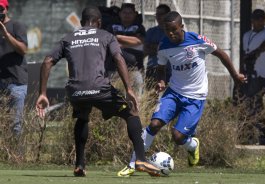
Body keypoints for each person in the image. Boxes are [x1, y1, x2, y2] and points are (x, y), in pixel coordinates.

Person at [117, 11, 246, 177]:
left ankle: (192, 145)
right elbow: (161, 68)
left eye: (174, 30)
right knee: (154, 124)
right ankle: (134, 163)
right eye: (167, 30)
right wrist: (161, 81)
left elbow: (220, 53)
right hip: (174, 92)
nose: (171, 34)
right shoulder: (164, 45)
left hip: (196, 97)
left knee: (178, 137)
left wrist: (235, 75)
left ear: (181, 27)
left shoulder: (197, 40)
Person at [35, 7, 160, 177]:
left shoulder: (68, 38)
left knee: (82, 116)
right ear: (99, 22)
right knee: (131, 112)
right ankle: (140, 159)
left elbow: (48, 61)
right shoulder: (106, 35)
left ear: (81, 22)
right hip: (100, 88)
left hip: (76, 91)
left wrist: (42, 93)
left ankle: (79, 164)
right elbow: (118, 58)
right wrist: (129, 89)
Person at [235, 9, 265, 145]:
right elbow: (245, 54)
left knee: (255, 101)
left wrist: (255, 53)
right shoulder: (247, 35)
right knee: (249, 103)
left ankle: (262, 135)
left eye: (261, 19)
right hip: (248, 73)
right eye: (256, 19)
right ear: (252, 20)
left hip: (262, 74)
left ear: (264, 20)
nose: (258, 21)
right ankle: (250, 135)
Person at [0, 0, 28, 137]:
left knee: (15, 124)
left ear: (6, 9)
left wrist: (6, 34)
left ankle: (17, 157)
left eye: (0, 9)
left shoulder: (17, 25)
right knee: (2, 125)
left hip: (15, 82)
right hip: (1, 81)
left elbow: (23, 50)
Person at [107, 3, 146, 96]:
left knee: (136, 98)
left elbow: (139, 41)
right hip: (113, 70)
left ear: (135, 14)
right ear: (120, 14)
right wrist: (129, 42)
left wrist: (118, 37)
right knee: (114, 98)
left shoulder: (139, 27)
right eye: (124, 12)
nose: (127, 15)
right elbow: (108, 41)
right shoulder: (111, 26)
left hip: (135, 70)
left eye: (130, 13)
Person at [144, 4, 171, 90]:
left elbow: (172, 50)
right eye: (157, 14)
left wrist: (154, 47)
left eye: (161, 14)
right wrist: (161, 48)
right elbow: (145, 50)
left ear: (168, 15)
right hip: (152, 68)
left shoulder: (172, 32)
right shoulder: (151, 31)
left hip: (169, 69)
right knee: (151, 97)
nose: (158, 16)